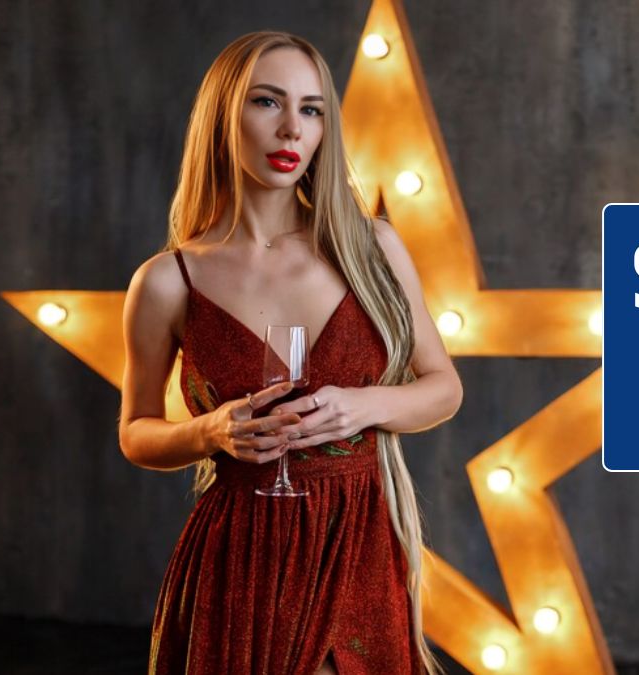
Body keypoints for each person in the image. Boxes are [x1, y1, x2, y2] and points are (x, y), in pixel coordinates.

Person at [118, 30, 461, 675]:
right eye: (267, 103)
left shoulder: (371, 247)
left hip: (357, 543)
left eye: (311, 110)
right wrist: (211, 430)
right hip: (240, 556)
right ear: (224, 116)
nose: (290, 131)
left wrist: (363, 407)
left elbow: (443, 387)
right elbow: (136, 433)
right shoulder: (167, 280)